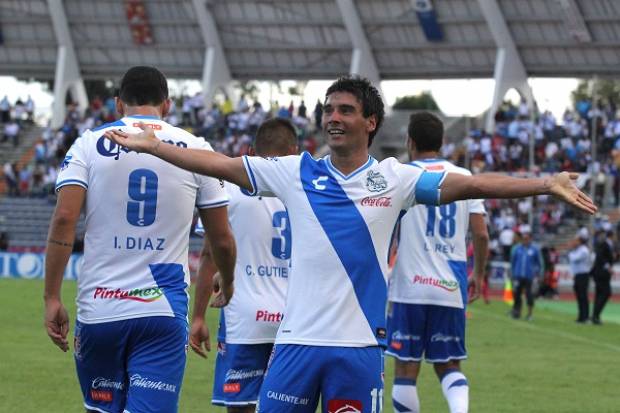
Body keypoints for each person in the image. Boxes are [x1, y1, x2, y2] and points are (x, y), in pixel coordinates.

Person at [105, 74, 596, 412]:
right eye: (328, 110)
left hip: (359, 349)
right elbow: (221, 165)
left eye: (346, 110)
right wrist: (157, 148)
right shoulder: (295, 172)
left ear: (371, 122)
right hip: (294, 346)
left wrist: (544, 182)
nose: (333, 117)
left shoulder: (395, 180)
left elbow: (473, 185)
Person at [44, 66, 236, 413]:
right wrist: (229, 280)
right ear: (167, 105)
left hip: (100, 309)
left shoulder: (88, 143)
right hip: (162, 310)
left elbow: (64, 219)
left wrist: (51, 297)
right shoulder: (196, 148)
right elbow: (221, 239)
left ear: (119, 104)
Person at [386, 112, 489, 413]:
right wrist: (478, 274)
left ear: (410, 141)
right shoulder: (464, 177)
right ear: (442, 142)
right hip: (450, 285)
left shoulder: (401, 176)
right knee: (449, 366)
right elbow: (480, 235)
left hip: (409, 287)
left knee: (406, 370)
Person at [193, 118, 298, 413]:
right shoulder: (307, 191)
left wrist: (199, 317)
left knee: (241, 406)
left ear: (250, 153)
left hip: (246, 318)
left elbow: (209, 255)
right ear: (295, 151)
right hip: (295, 320)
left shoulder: (231, 190)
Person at [510, 230, 544, 321]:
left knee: (529, 295)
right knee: (516, 294)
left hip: (529, 276)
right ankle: (517, 312)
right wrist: (512, 273)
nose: (525, 240)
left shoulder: (535, 249)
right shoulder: (517, 249)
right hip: (518, 275)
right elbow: (513, 262)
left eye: (527, 238)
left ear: (530, 239)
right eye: (524, 238)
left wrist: (540, 274)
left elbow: (540, 263)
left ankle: (529, 314)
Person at [591, 227, 615, 324]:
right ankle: (596, 315)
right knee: (606, 293)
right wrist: (608, 266)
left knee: (599, 294)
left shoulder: (607, 245)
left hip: (600, 274)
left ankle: (595, 316)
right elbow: (600, 257)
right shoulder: (604, 244)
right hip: (601, 274)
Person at [568, 229, 592, 323]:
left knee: (583, 297)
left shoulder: (584, 250)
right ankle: (581, 317)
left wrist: (571, 250)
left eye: (577, 240)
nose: (575, 242)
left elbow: (574, 258)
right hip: (578, 276)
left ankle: (585, 317)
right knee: (579, 296)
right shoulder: (579, 250)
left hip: (583, 275)